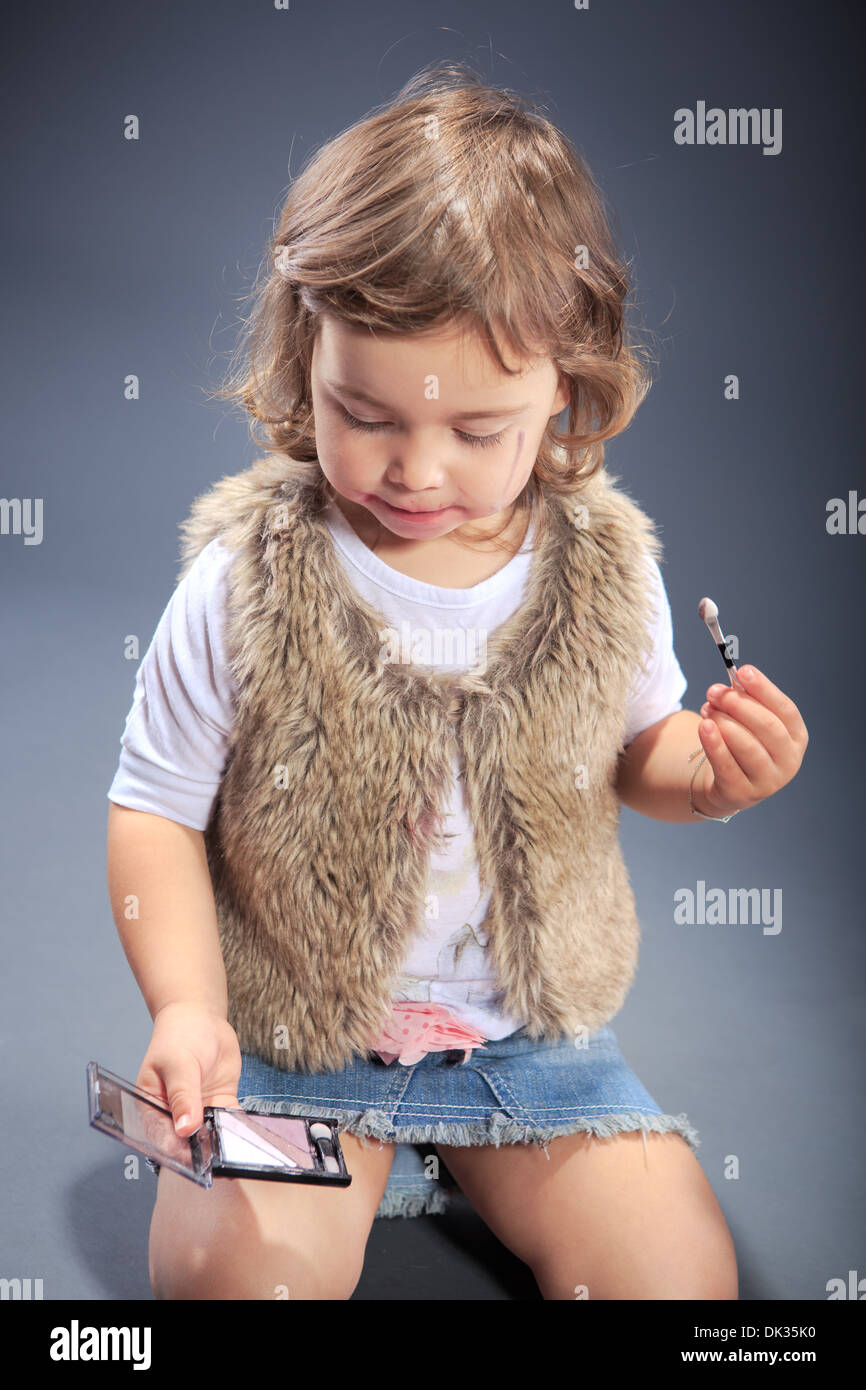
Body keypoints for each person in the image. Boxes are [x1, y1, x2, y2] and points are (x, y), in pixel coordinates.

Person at [105, 62, 808, 1301]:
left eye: (476, 431)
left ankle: (484, 1151)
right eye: (361, 411)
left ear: (564, 393)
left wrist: (709, 775)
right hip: (291, 1039)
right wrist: (185, 1011)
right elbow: (153, 808)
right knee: (235, 1288)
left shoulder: (601, 570)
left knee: (677, 1282)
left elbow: (636, 747)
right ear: (301, 354)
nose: (415, 467)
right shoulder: (246, 575)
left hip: (527, 1045)